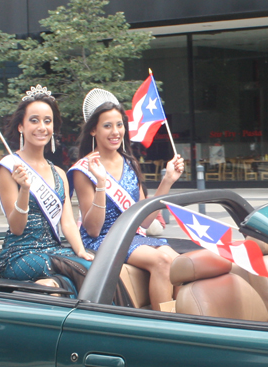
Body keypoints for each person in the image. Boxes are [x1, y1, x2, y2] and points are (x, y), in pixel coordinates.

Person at [67, 88, 184, 311]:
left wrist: (167, 181)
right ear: (93, 129)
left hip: (131, 236)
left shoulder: (129, 162)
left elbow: (144, 221)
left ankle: (182, 319)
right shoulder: (83, 170)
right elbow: (92, 229)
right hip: (102, 239)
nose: (115, 132)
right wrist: (101, 182)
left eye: (119, 125)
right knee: (162, 261)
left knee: (178, 263)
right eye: (107, 125)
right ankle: (164, 325)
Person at [0, 85, 93, 288]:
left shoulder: (59, 173)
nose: (42, 127)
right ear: (21, 127)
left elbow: (67, 223)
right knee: (80, 269)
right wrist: (24, 189)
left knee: (94, 266)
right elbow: (16, 227)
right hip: (20, 254)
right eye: (34, 120)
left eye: (47, 121)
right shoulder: (9, 167)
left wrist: (81, 251)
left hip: (52, 250)